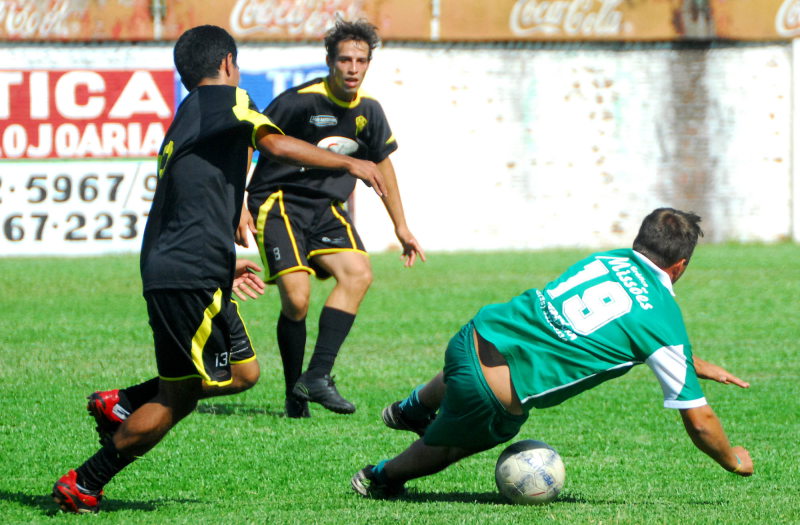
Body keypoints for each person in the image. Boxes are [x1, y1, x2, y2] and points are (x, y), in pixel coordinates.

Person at [51, 24, 388, 514]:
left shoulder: (190, 114)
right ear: (229, 63)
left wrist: (221, 264)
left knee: (245, 373)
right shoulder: (230, 102)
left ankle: (120, 402)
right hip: (188, 273)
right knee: (179, 399)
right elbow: (274, 146)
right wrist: (349, 165)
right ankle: (86, 480)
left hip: (187, 267)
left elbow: (191, 196)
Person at [351, 208, 754, 499]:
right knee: (451, 444)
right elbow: (700, 422)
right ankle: (380, 476)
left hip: (472, 336)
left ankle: (411, 408)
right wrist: (733, 460)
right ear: (679, 265)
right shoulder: (663, 319)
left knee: (467, 371)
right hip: (489, 397)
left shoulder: (606, 260)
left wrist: (689, 362)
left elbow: (614, 320)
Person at [244, 18, 425, 418]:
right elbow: (252, 144)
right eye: (345, 59)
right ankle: (295, 395)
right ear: (330, 60)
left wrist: (401, 226)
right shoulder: (299, 101)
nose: (353, 68)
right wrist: (237, 205)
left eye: (361, 60)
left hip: (326, 209)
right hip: (279, 202)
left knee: (359, 274)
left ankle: (317, 376)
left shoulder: (370, 111)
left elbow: (382, 167)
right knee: (297, 299)